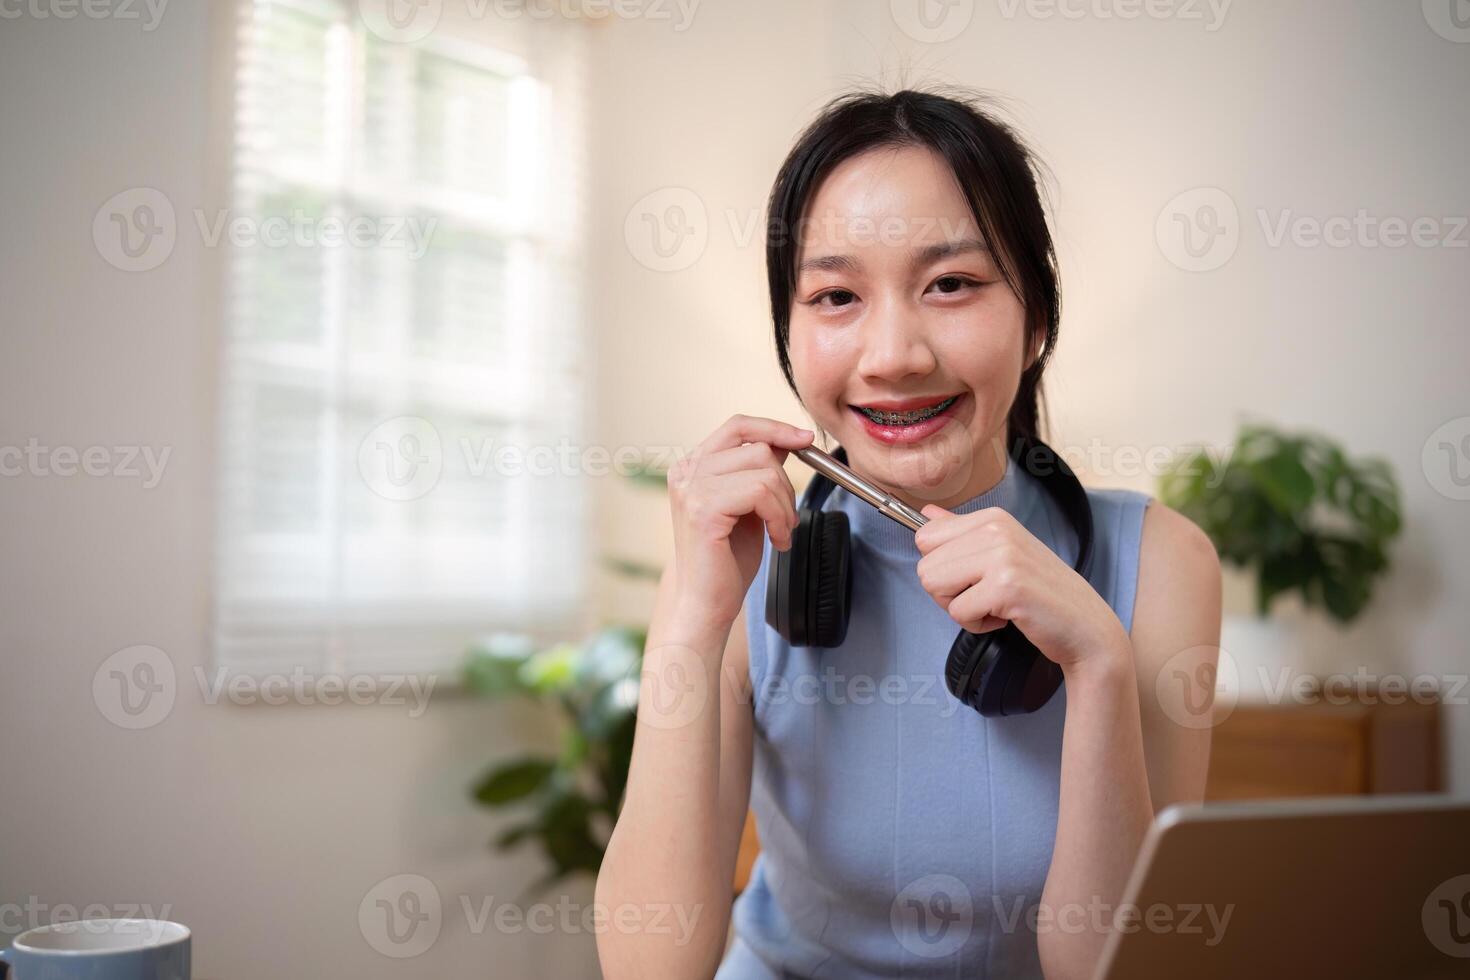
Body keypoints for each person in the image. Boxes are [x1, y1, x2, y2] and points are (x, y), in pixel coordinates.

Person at [596, 86, 1222, 980]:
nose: (893, 355)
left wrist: (1096, 662)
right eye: (835, 294)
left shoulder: (1161, 565)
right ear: (790, 333)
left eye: (952, 284)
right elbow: (647, 967)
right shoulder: (741, 563)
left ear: (1036, 316)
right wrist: (691, 622)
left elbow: (1113, 972)